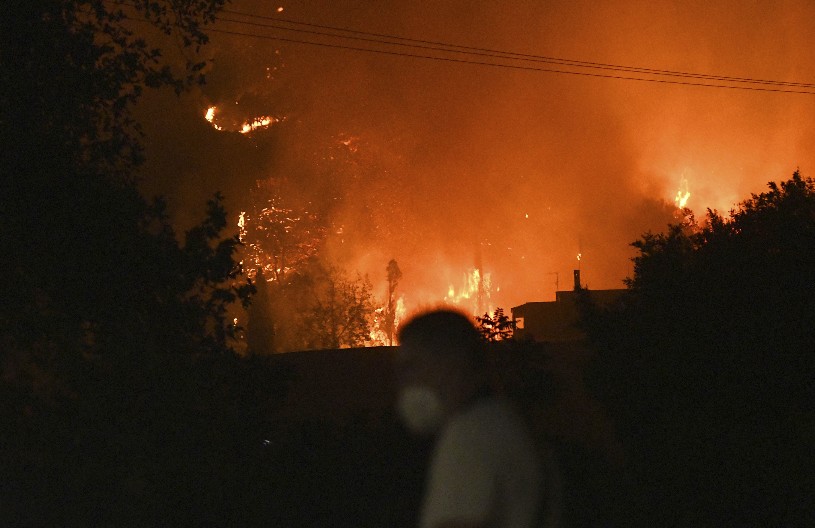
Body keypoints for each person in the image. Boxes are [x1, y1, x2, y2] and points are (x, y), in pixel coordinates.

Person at [395, 309, 560, 528]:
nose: (405, 382)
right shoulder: (502, 422)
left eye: (411, 367)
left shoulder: (469, 436)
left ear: (449, 364)